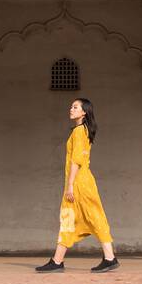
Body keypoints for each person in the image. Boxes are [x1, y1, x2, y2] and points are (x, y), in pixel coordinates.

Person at [36, 98, 119, 273]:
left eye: (75, 107)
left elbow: (76, 161)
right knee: (71, 218)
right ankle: (58, 260)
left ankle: (109, 258)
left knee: (91, 216)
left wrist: (71, 186)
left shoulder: (80, 131)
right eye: (71, 106)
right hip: (80, 181)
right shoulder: (81, 130)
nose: (71, 109)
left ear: (84, 112)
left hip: (80, 182)